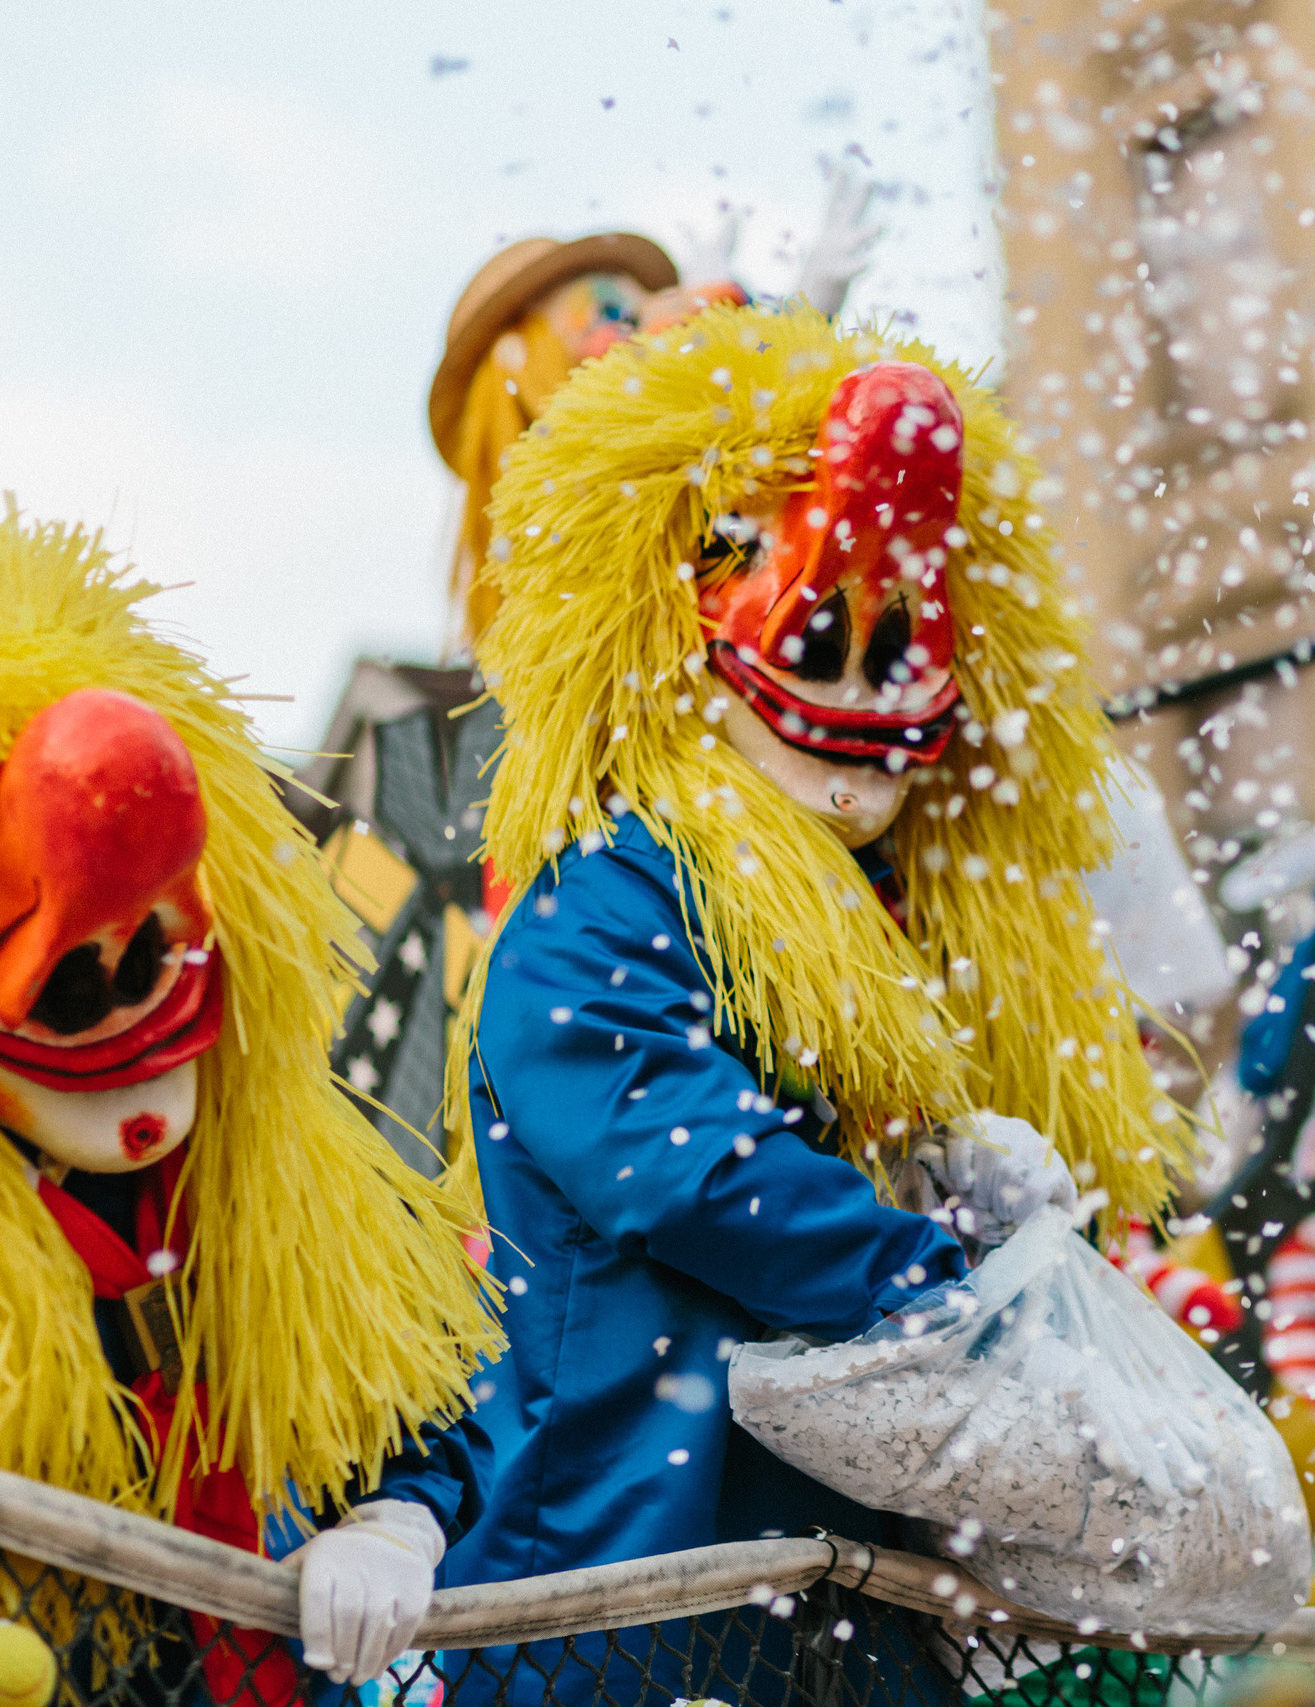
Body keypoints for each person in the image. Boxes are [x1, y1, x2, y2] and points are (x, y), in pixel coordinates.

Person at [435, 302, 1187, 1696]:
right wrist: (951, 1287)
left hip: (844, 1620)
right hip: (632, 1611)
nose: (843, 678)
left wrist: (1004, 1229)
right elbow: (689, 1171)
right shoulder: (603, 897)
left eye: (888, 643)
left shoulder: (895, 937)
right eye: (810, 626)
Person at [0, 512, 502, 1700]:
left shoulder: (279, 1172)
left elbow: (425, 1392)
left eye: (143, 939)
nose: (101, 990)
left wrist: (398, 1517)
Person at [300, 176, 885, 1171]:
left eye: (639, 308)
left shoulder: (666, 500)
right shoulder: (559, 548)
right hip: (607, 898)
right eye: (602, 312)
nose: (631, 328)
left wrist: (784, 319)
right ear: (515, 357)